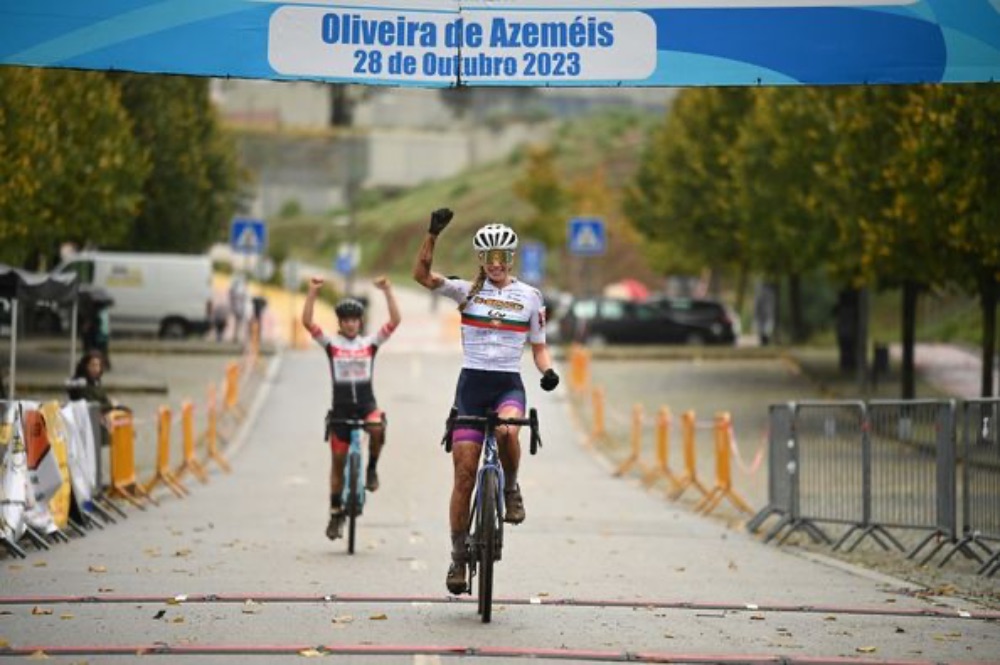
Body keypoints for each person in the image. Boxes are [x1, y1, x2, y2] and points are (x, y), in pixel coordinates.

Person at [412, 207, 560, 595]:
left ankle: (510, 488)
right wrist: (432, 235)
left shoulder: (530, 297)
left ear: (511, 259)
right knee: (463, 475)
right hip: (472, 387)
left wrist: (547, 373)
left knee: (510, 430)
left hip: (508, 384)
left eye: (503, 257)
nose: (496, 264)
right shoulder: (466, 291)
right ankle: (458, 558)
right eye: (489, 258)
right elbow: (422, 276)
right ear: (481, 260)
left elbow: (539, 349)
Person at [301, 275, 401, 541]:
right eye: (345, 320)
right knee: (337, 463)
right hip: (341, 410)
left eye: (354, 320)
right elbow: (308, 323)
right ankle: (336, 513)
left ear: (360, 322)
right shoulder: (332, 345)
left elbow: (394, 322)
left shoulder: (368, 344)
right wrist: (312, 292)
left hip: (366, 404)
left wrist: (388, 290)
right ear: (340, 323)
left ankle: (371, 469)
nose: (349, 324)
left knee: (378, 426)